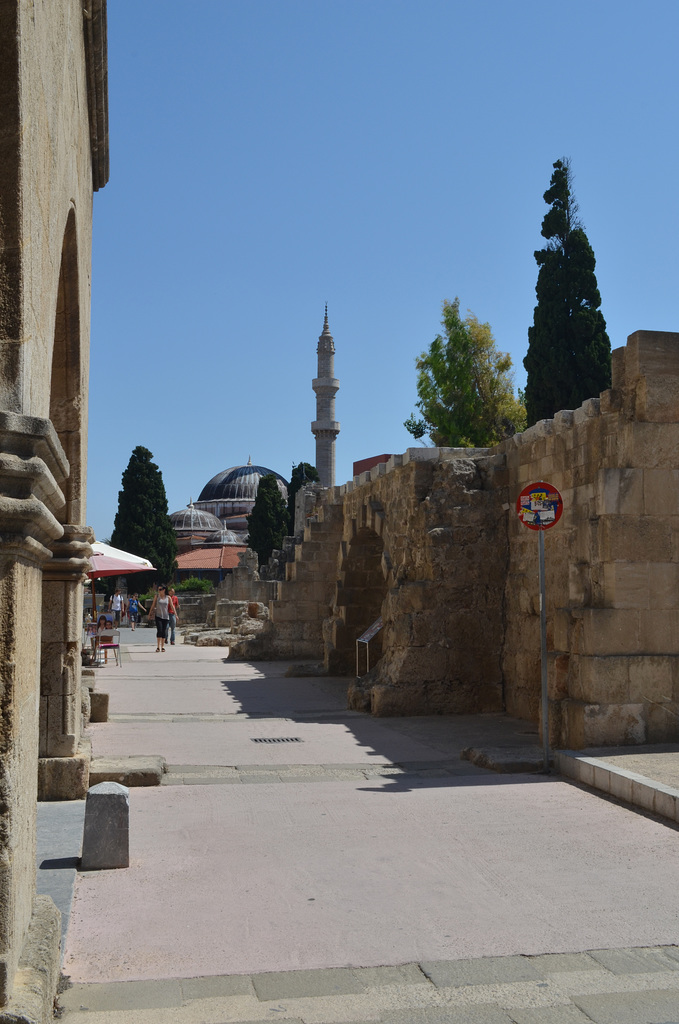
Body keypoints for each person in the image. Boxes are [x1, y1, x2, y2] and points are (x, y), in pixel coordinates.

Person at [148, 584, 171, 652]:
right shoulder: (157, 596)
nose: (159, 591)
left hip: (166, 616)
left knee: (164, 631)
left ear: (164, 590)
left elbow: (172, 606)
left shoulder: (168, 597)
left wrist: (176, 615)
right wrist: (150, 613)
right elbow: (153, 605)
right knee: (159, 630)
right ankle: (158, 646)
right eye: (158, 589)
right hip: (158, 616)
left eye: (160, 589)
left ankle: (163, 646)